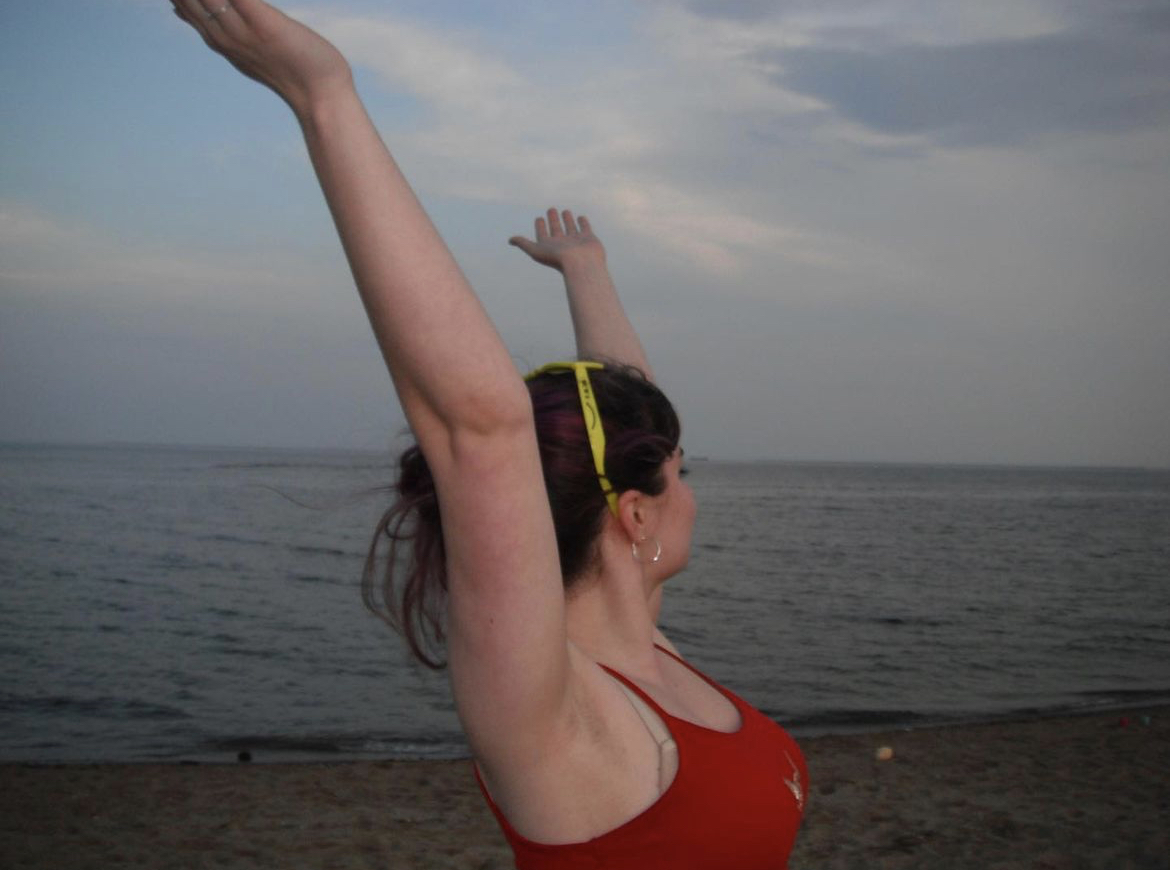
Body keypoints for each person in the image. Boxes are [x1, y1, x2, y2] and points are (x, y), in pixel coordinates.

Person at [172, 2, 806, 866]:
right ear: (633, 516)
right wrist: (325, 96)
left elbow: (635, 411)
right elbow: (480, 428)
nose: (693, 493)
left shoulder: (644, 637)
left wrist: (588, 272)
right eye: (680, 475)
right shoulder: (551, 707)